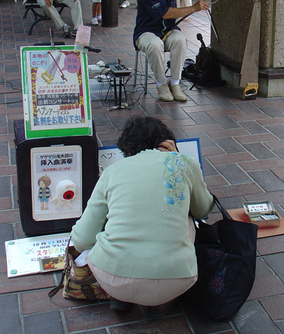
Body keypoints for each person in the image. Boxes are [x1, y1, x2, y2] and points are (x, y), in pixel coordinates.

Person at [70, 116, 214, 315]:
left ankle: (121, 295)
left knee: (110, 216)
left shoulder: (111, 172)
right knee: (184, 214)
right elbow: (203, 209)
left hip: (111, 275)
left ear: (126, 149)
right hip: (177, 278)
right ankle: (159, 301)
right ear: (166, 142)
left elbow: (82, 240)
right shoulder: (183, 163)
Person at [134, 0, 233, 102]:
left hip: (167, 30)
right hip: (146, 31)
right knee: (155, 45)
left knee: (180, 39)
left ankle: (175, 83)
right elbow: (165, 13)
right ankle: (162, 84)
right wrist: (194, 8)